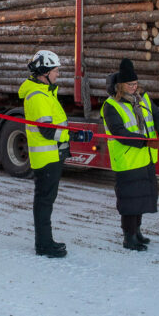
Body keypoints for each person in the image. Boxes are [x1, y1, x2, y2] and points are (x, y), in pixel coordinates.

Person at [18, 50, 93, 258]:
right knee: (44, 201)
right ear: (44, 73)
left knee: (46, 201)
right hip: (46, 158)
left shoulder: (45, 93)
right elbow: (47, 130)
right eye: (55, 70)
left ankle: (46, 241)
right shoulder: (38, 97)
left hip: (52, 156)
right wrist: (74, 136)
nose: (58, 74)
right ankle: (43, 245)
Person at [102, 58, 159, 251]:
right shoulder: (111, 106)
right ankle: (128, 236)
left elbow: (157, 115)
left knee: (141, 198)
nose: (134, 87)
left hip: (145, 158)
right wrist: (145, 141)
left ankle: (137, 232)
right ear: (120, 85)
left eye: (135, 84)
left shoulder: (143, 98)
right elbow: (119, 132)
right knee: (129, 200)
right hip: (127, 159)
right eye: (130, 84)